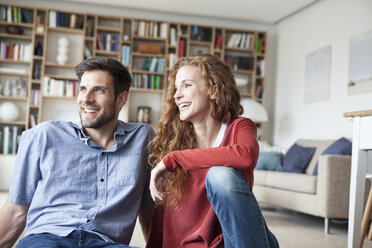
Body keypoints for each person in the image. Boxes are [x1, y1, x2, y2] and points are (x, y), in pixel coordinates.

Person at [0, 57, 155, 248]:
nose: (86, 99)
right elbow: (16, 209)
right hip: (48, 237)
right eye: (82, 89)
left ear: (121, 99)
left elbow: (148, 209)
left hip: (106, 243)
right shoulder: (44, 135)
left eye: (99, 90)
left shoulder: (142, 138)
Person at [146, 54, 279, 248]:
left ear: (213, 90)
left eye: (187, 85)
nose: (177, 95)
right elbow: (164, 225)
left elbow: (246, 155)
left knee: (220, 174)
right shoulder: (174, 146)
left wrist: (174, 159)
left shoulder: (239, 127)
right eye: (176, 88)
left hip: (237, 242)